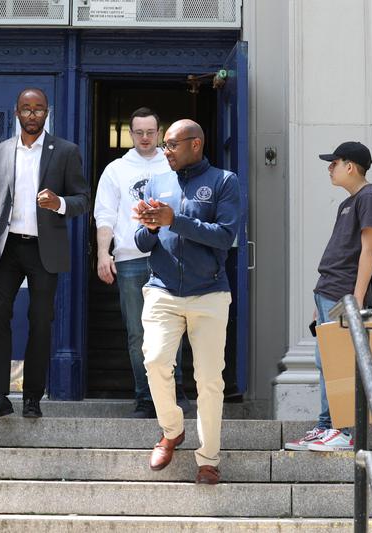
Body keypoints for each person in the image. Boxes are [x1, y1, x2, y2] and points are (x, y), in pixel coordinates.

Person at [0, 87, 89, 419]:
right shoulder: (0, 151)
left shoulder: (66, 151)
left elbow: (83, 199)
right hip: (7, 247)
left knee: (40, 321)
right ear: (16, 112)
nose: (32, 114)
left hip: (44, 249)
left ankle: (32, 397)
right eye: (26, 109)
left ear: (47, 112)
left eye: (38, 109)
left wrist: (58, 203)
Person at [134, 118, 240, 485]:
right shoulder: (156, 182)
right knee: (154, 360)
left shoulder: (224, 181)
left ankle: (208, 459)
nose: (165, 151)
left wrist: (173, 220)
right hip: (162, 288)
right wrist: (150, 227)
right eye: (164, 144)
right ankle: (172, 430)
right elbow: (142, 241)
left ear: (196, 144)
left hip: (209, 292)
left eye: (172, 144)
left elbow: (225, 236)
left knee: (209, 380)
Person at [285, 141, 372, 452]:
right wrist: (320, 303)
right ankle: (325, 426)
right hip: (329, 291)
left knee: (338, 363)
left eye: (335, 163)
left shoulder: (370, 199)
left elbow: (370, 249)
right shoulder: (349, 202)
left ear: (351, 166)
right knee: (326, 361)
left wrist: (356, 298)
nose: (330, 168)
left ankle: (340, 430)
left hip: (344, 292)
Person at [94, 107, 190, 418]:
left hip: (169, 257)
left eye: (150, 132)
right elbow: (105, 215)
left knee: (173, 329)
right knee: (138, 333)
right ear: (131, 133)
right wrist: (103, 253)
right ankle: (146, 398)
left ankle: (173, 393)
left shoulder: (174, 165)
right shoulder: (116, 170)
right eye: (139, 132)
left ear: (159, 133)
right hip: (130, 260)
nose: (145, 137)